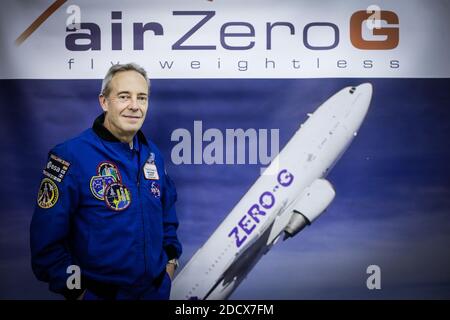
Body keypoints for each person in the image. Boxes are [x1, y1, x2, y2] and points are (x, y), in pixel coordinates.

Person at [30, 63, 182, 300]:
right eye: (124, 96)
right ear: (104, 102)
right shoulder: (70, 157)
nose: (134, 106)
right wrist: (79, 292)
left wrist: (170, 265)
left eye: (142, 98)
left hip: (156, 293)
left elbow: (167, 217)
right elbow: (46, 244)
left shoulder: (153, 155)